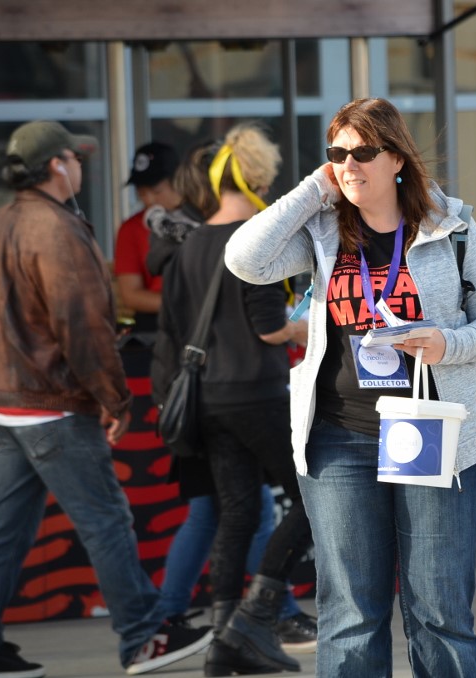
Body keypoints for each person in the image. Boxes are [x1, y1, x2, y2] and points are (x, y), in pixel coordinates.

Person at [225, 97, 476, 677]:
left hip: (434, 431)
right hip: (340, 437)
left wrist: (446, 343)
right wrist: (316, 187)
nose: (349, 165)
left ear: (398, 159)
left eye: (363, 153)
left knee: (439, 610)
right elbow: (245, 261)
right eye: (338, 153)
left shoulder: (451, 224)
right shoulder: (322, 228)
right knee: (350, 612)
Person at [0, 120, 212, 677]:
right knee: (105, 521)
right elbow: (83, 325)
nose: (80, 166)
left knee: (5, 530)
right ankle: (143, 637)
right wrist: (114, 397)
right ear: (57, 165)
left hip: (3, 404)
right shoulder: (58, 230)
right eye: (75, 157)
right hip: (50, 404)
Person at [153, 122, 312, 676]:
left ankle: (225, 639)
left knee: (238, 511)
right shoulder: (256, 237)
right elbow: (269, 326)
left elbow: (170, 329)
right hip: (256, 390)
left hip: (206, 399)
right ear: (259, 178)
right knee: (314, 498)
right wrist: (307, 327)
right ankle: (254, 619)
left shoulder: (189, 241)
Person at [115, 141, 182, 333]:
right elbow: (131, 294)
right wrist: (185, 305)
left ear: (179, 182)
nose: (149, 200)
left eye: (156, 191)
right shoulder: (131, 228)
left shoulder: (204, 219)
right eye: (142, 193)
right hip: (155, 326)